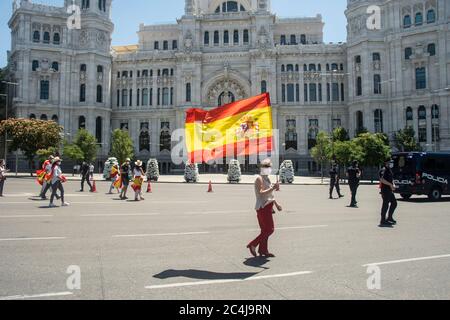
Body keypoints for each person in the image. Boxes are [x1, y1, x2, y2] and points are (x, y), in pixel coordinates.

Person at [247, 159, 283, 258]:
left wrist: (276, 204)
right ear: (262, 168)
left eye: (269, 167)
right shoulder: (259, 179)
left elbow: (270, 195)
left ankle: (263, 250)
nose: (269, 169)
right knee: (270, 229)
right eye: (267, 167)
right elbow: (261, 193)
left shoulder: (267, 179)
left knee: (264, 230)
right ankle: (253, 244)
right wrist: (272, 188)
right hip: (262, 207)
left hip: (268, 207)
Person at [379, 158, 398, 226]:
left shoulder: (389, 170)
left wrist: (393, 184)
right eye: (390, 162)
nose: (391, 163)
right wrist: (390, 184)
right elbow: (381, 179)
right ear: (386, 162)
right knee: (385, 205)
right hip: (385, 190)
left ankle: (389, 217)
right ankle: (382, 220)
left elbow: (391, 179)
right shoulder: (383, 169)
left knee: (394, 203)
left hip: (389, 190)